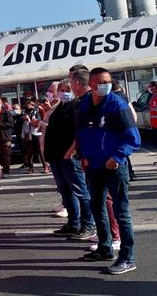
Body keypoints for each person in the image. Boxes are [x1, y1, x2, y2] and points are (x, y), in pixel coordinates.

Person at [76, 67, 140, 274]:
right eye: (101, 82)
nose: (106, 85)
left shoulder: (116, 104)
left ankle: (127, 257)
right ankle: (105, 248)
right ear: (91, 85)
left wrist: (116, 158)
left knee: (121, 211)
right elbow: (82, 132)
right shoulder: (85, 103)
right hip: (93, 166)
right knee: (97, 206)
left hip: (113, 167)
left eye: (108, 81)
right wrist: (82, 154)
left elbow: (133, 138)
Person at [44, 78, 95, 240]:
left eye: (67, 89)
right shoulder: (59, 107)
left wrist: (70, 153)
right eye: (61, 89)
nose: (63, 92)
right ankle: (73, 224)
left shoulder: (77, 106)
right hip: (56, 156)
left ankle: (88, 224)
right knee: (66, 192)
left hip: (69, 156)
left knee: (81, 191)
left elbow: (79, 132)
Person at [0, 98, 14, 177]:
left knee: (6, 155)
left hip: (5, 137)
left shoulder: (6, 113)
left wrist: (0, 124)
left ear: (2, 104)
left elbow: (10, 123)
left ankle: (6, 171)